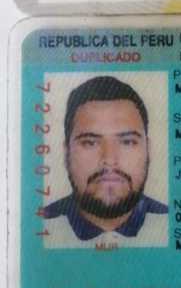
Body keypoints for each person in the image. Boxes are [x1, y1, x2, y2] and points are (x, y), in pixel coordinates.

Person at [43, 75, 168, 245]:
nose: (109, 159)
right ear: (66, 153)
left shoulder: (174, 223)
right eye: (90, 143)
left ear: (148, 150)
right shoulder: (38, 228)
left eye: (127, 142)